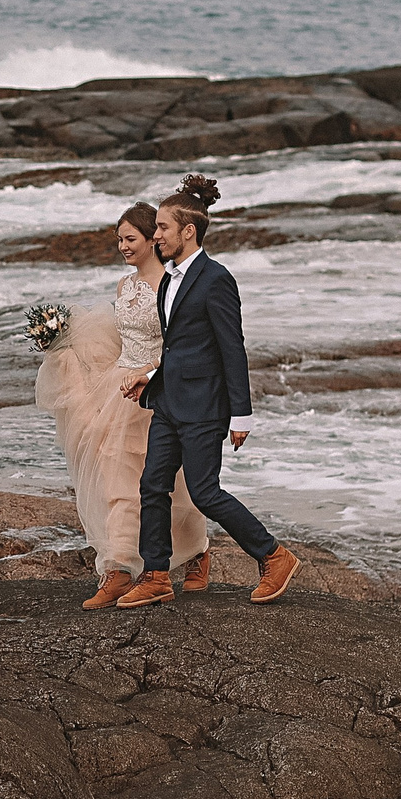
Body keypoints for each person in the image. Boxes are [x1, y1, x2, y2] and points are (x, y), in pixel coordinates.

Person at [116, 175, 300, 607]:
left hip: (204, 407)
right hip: (168, 401)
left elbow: (231, 349)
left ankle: (273, 555)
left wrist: (241, 415)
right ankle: (157, 575)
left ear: (188, 232)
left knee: (204, 491)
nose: (155, 235)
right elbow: (179, 345)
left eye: (161, 228)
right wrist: (152, 375)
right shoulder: (168, 280)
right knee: (152, 484)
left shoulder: (216, 279)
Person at [35, 202, 212, 607]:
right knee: (118, 480)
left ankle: (198, 552)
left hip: (159, 388)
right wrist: (64, 342)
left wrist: (149, 373)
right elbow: (116, 339)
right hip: (120, 388)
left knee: (175, 484)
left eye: (130, 239)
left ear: (155, 238)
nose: (123, 247)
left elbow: (181, 348)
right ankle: (116, 569)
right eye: (119, 239)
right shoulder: (124, 286)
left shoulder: (174, 284)